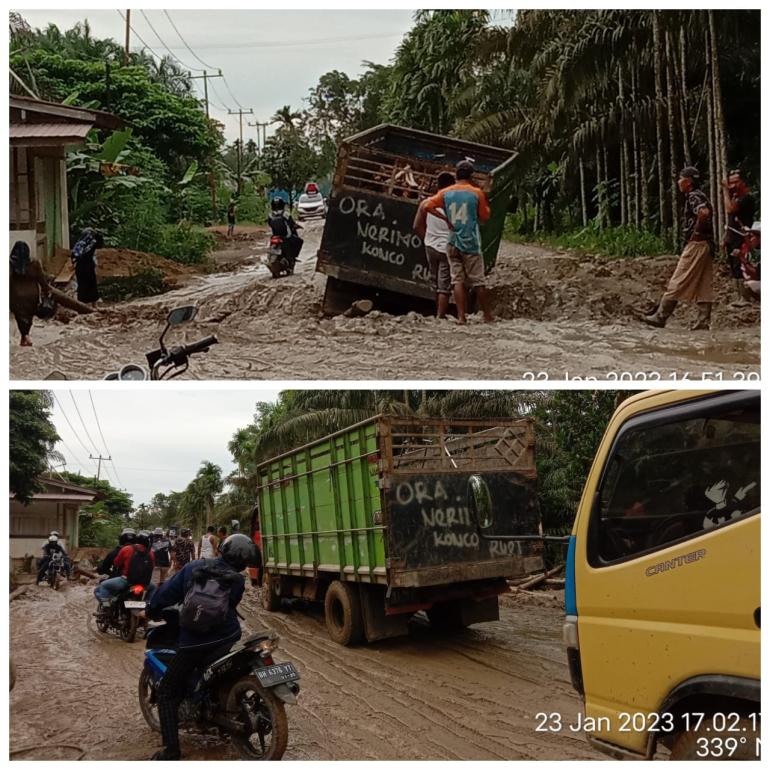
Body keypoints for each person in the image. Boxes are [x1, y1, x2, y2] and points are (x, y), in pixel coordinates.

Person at [147, 533, 261, 760]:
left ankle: (171, 752)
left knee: (168, 690)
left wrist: (151, 610)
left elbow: (166, 594)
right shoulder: (238, 581)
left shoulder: (193, 568)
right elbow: (229, 605)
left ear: (222, 550)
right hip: (227, 638)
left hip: (194, 643)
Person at [643, 167, 715, 330]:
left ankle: (661, 316)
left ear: (688, 182)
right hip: (707, 245)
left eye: (681, 179)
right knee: (704, 283)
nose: (678, 182)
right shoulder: (701, 195)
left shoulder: (693, 196)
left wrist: (696, 232)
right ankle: (703, 321)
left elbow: (703, 213)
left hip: (697, 244)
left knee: (678, 279)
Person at [424, 160, 493, 324]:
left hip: (452, 242)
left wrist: (446, 219)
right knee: (478, 281)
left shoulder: (446, 193)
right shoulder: (476, 193)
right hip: (470, 243)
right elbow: (485, 217)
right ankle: (487, 316)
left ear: (456, 174)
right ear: (470, 176)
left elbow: (427, 206)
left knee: (457, 280)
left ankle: (461, 317)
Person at [413, 172, 455, 318]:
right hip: (446, 249)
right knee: (444, 286)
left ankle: (437, 311)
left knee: (435, 282)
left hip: (430, 247)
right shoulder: (454, 207)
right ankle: (440, 316)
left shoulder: (426, 203)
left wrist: (428, 239)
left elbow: (416, 226)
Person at [94, 530, 156, 603]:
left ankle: (106, 607)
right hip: (143, 583)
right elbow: (152, 566)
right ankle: (148, 605)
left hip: (126, 580)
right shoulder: (151, 553)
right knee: (153, 588)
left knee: (104, 585)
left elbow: (116, 563)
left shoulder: (127, 549)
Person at [722, 170, 756, 302]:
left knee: (740, 265)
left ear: (743, 182)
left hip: (742, 237)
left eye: (736, 182)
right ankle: (738, 295)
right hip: (732, 236)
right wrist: (726, 237)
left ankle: (745, 297)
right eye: (731, 183)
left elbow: (730, 209)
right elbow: (730, 219)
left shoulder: (746, 198)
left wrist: (725, 191)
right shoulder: (735, 197)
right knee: (733, 267)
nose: (733, 185)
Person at [10, 241, 52, 347]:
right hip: (32, 296)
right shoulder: (34, 263)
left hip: (16, 296)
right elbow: (41, 279)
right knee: (29, 317)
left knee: (20, 317)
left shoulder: (11, 263)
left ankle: (25, 336)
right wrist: (46, 290)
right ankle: (25, 337)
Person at [70, 228, 103, 304]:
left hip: (80, 268)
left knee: (82, 287)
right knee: (92, 286)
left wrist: (74, 263)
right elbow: (100, 243)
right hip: (89, 268)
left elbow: (73, 256)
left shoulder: (78, 245)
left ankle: (82, 305)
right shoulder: (91, 244)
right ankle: (94, 305)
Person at [267, 197, 303, 263]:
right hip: (286, 236)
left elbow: (269, 224)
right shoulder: (286, 214)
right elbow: (292, 223)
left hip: (275, 236)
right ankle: (293, 257)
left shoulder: (270, 215)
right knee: (299, 241)